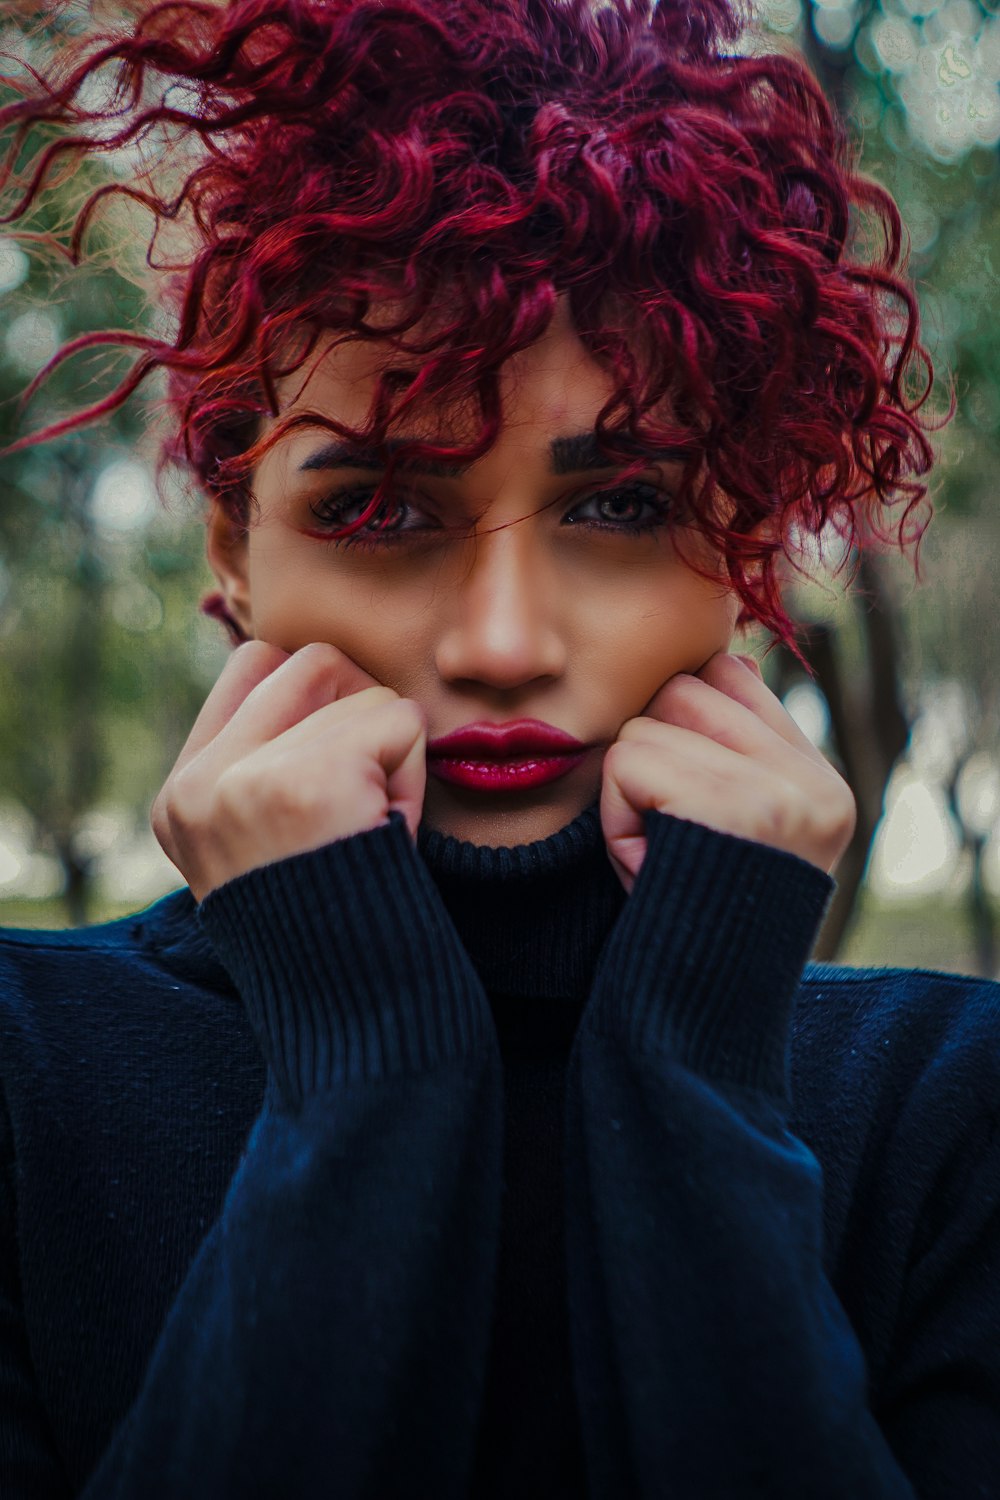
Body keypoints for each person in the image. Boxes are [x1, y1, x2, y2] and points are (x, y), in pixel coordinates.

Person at [0, 0, 997, 1495]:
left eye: (619, 504)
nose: (503, 643)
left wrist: (694, 1090)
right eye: (377, 508)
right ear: (233, 546)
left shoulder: (946, 1104)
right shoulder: (24, 1077)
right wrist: (363, 1084)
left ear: (743, 546)